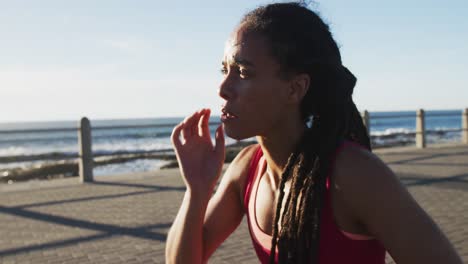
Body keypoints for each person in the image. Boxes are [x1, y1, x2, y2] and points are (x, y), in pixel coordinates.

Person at [165, 2, 462, 263]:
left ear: (295, 88)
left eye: (243, 72)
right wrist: (197, 189)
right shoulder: (246, 169)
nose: (223, 88)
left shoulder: (353, 174)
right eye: (224, 70)